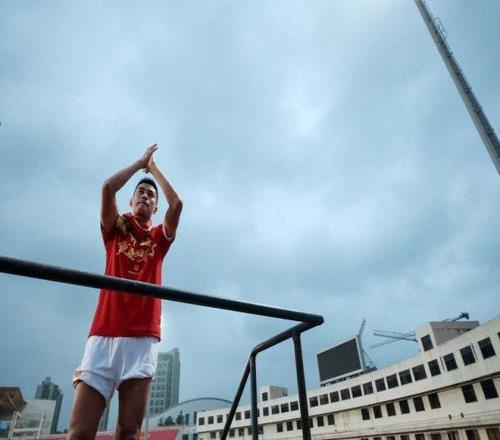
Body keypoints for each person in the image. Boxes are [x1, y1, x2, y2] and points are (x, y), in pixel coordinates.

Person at [68, 144, 183, 440]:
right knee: (80, 432)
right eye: (140, 193)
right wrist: (140, 163)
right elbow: (108, 187)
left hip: (141, 339)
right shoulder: (115, 230)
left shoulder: (158, 239)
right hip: (104, 334)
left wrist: (153, 168)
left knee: (129, 432)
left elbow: (177, 204)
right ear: (130, 201)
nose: (145, 196)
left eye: (151, 195)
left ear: (155, 208)